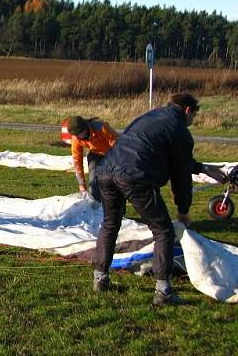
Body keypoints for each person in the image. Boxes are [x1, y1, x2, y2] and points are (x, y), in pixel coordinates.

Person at [90, 93, 226, 306]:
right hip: (134, 176)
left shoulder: (151, 116)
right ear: (188, 110)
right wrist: (183, 210)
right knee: (163, 230)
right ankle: (163, 292)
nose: (193, 121)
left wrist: (203, 168)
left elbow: (172, 158)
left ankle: (101, 278)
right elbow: (180, 176)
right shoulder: (180, 130)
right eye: (194, 116)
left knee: (110, 223)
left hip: (106, 171)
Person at [64, 116, 118, 198]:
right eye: (75, 135)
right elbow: (77, 160)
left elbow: (117, 146)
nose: (77, 137)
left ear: (85, 129)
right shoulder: (76, 138)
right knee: (93, 183)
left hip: (112, 153)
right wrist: (81, 183)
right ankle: (94, 205)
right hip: (94, 154)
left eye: (79, 134)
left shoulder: (101, 127)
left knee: (116, 178)